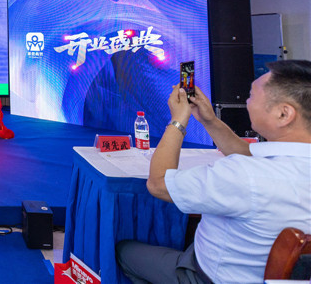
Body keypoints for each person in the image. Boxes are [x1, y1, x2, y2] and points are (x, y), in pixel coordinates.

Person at [116, 60, 311, 283]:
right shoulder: (275, 165)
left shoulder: (244, 175)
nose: (247, 102)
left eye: (252, 95)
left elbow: (158, 184)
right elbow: (246, 153)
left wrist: (178, 120)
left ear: (284, 114)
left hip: (210, 276)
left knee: (123, 251)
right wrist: (208, 120)